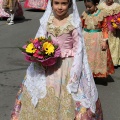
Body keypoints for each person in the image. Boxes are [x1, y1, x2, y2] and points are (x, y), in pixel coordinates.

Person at [11, 0, 103, 119]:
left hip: (67, 64)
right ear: (51, 4)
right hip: (47, 63)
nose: (60, 7)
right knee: (42, 92)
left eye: (64, 3)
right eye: (57, 3)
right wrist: (38, 54)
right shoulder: (48, 20)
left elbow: (79, 49)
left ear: (69, 4)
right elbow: (40, 40)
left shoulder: (72, 23)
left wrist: (75, 73)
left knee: (67, 95)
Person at [81, 0, 114, 78]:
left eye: (90, 7)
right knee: (86, 56)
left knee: (95, 56)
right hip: (85, 38)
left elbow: (105, 28)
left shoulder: (101, 14)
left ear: (96, 4)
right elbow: (80, 25)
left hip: (97, 39)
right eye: (86, 7)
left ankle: (94, 73)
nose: (88, 9)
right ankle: (85, 73)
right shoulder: (85, 14)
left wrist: (104, 41)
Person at [98, 0, 120, 67]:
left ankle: (114, 61)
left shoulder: (117, 6)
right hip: (104, 28)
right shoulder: (101, 6)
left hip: (113, 29)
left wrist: (117, 22)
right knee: (105, 43)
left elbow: (119, 16)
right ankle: (104, 60)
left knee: (114, 44)